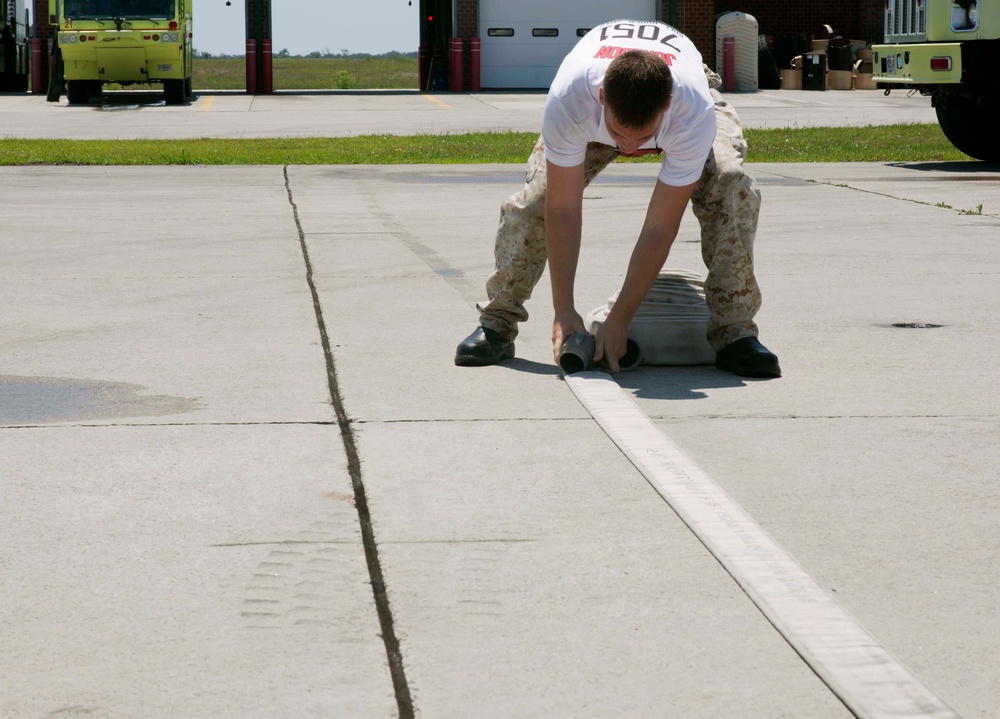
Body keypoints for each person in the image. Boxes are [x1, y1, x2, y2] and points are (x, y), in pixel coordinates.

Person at [454, 19, 780, 377]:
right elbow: (561, 209)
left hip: (687, 80)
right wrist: (564, 310)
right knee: (537, 201)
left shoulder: (690, 110)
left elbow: (659, 227)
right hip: (603, 99)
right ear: (602, 98)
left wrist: (620, 317)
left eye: (643, 138)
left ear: (667, 104)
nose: (628, 148)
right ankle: (497, 321)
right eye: (618, 134)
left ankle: (734, 332)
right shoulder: (571, 98)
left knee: (731, 186)